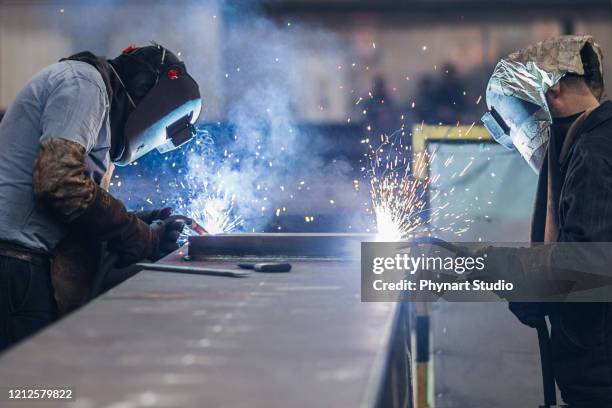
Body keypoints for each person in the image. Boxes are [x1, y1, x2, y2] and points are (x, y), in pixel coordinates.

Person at [0, 43, 202, 351]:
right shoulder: (85, 85)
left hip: (25, 268)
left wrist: (141, 223)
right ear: (147, 96)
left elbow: (80, 206)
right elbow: (59, 183)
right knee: (28, 391)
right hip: (16, 271)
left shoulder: (97, 108)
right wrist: (140, 236)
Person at [480, 35, 611, 407]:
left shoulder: (594, 154)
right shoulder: (589, 144)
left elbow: (587, 264)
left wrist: (517, 273)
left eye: (515, 119)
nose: (520, 134)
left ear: (551, 91)